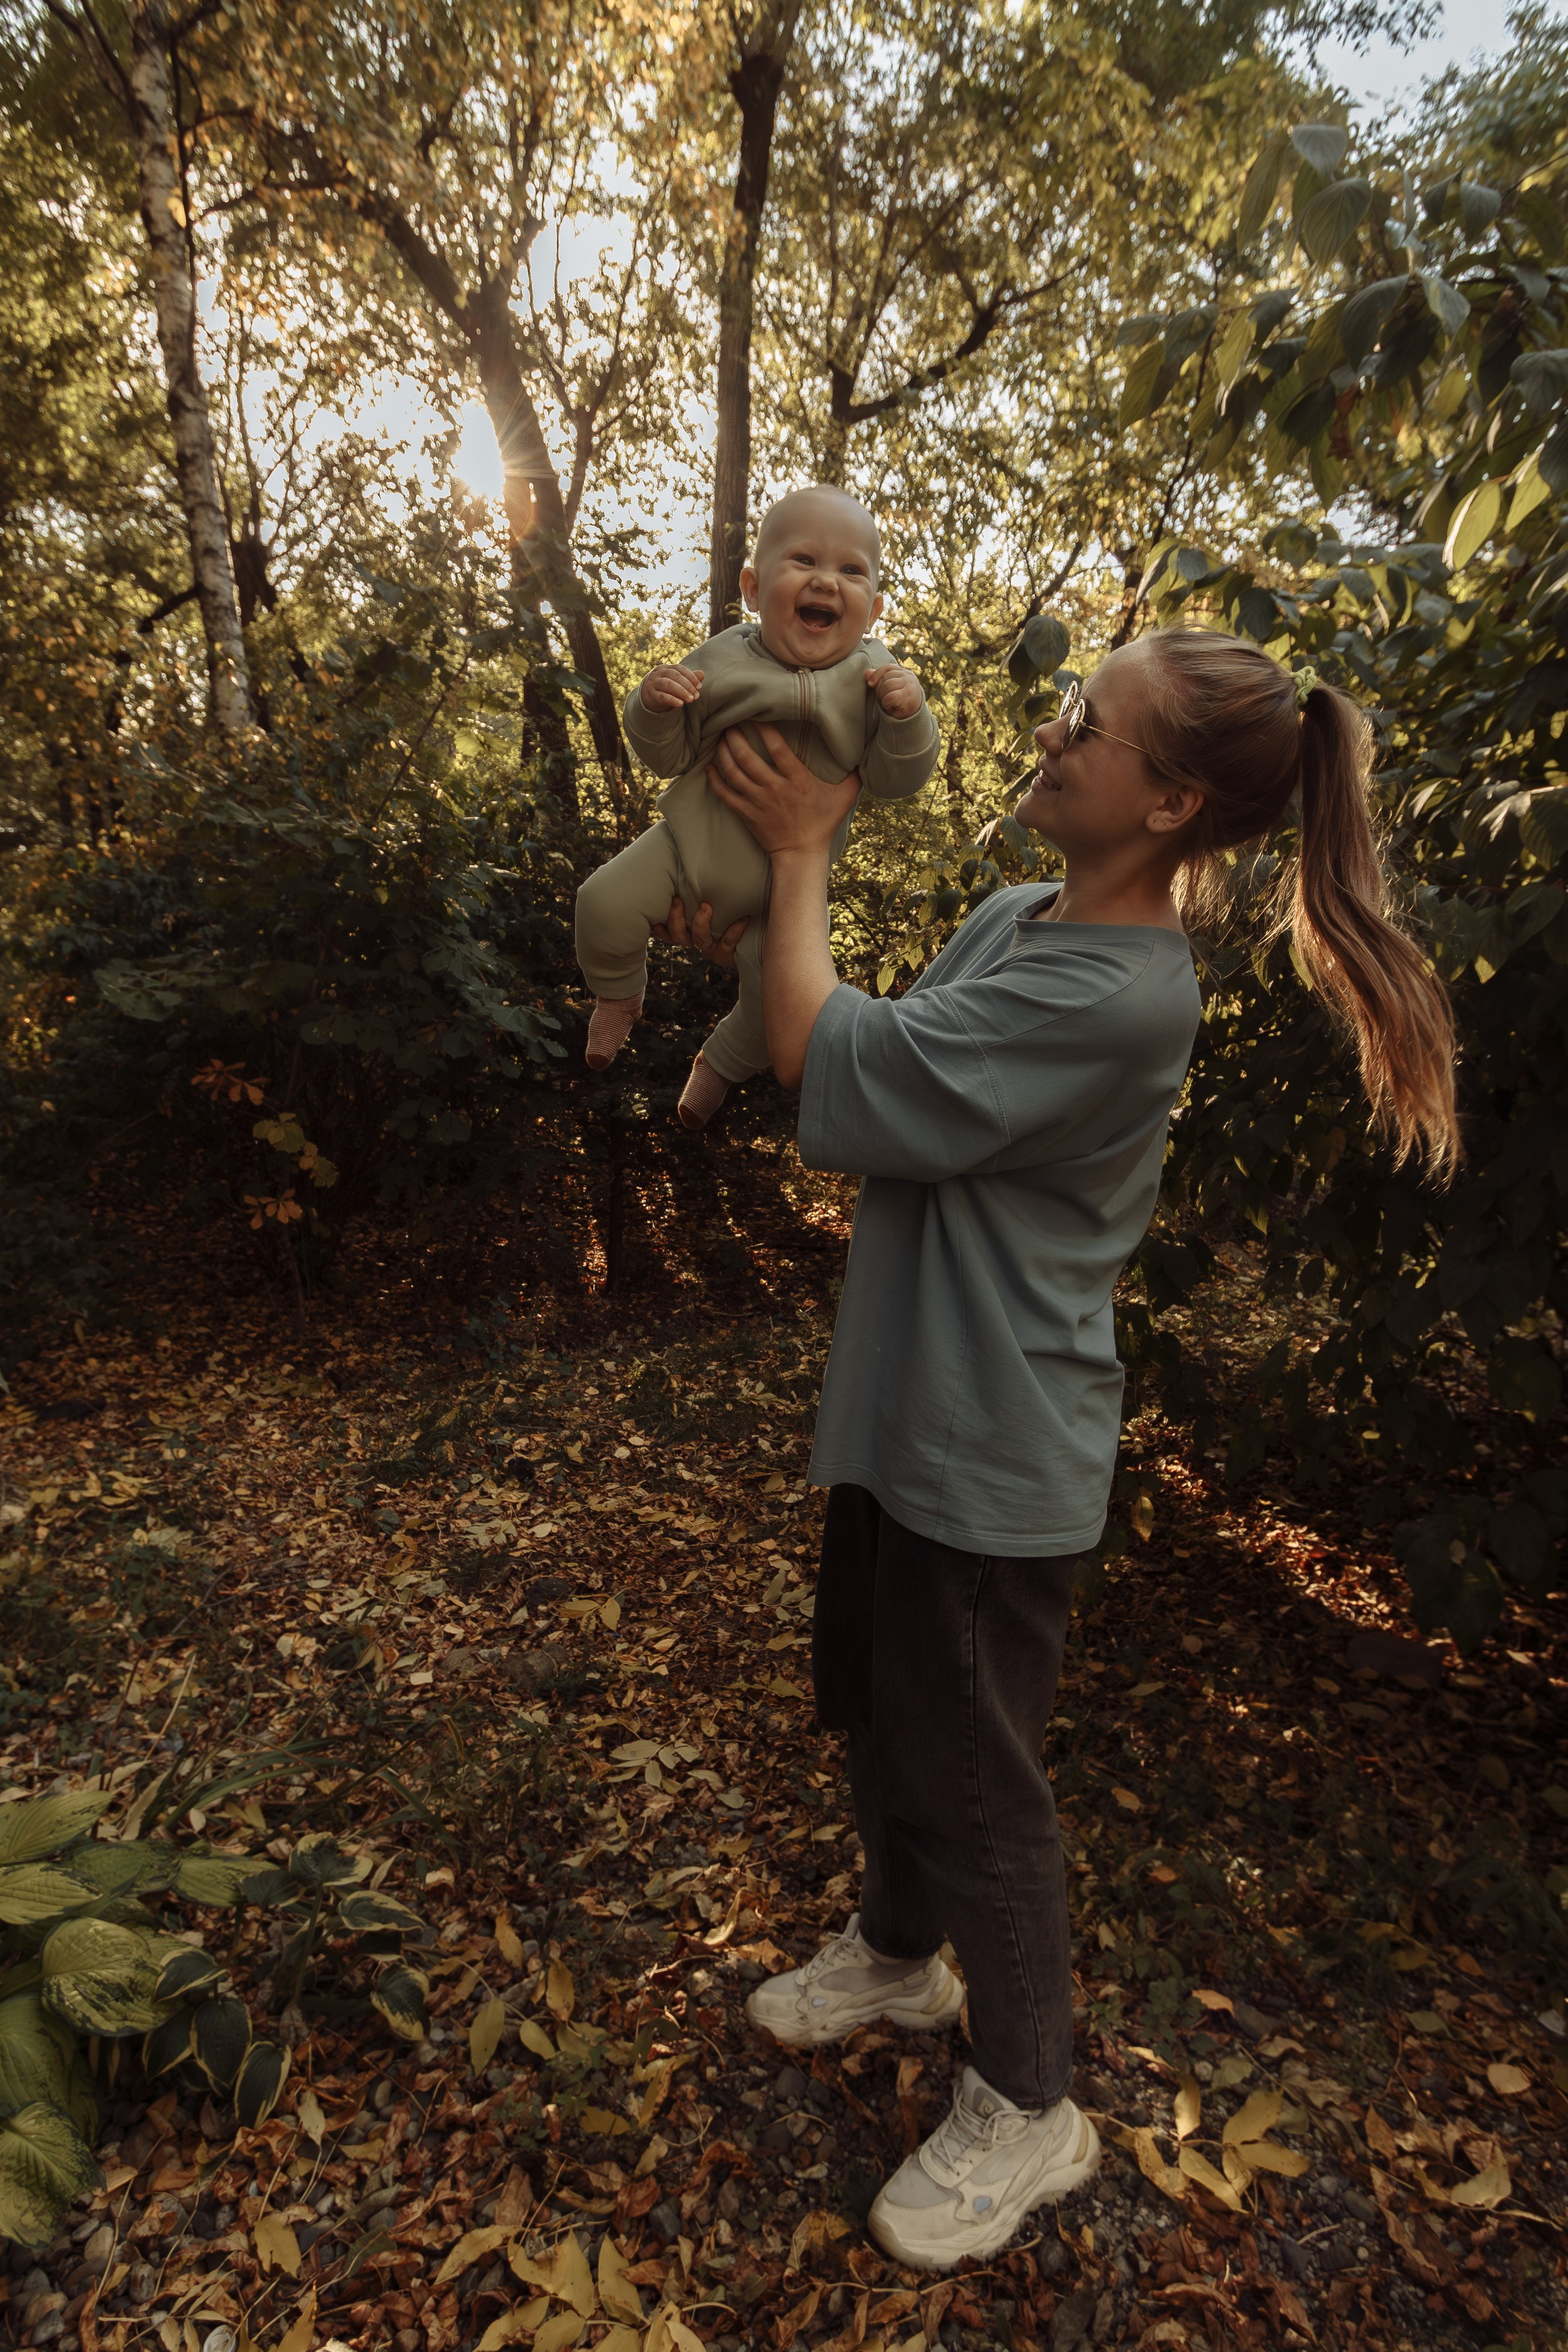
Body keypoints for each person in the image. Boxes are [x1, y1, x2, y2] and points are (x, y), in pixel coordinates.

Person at [673, 624, 1457, 2273]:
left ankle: (1030, 2100)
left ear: (1166, 802)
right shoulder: (1019, 918)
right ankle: (899, 1953)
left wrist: (806, 857)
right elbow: (869, 1056)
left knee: (971, 1776)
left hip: (990, 1438)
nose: (1050, 728)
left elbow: (831, 1063)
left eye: (1087, 722)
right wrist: (762, 914)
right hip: (907, 1399)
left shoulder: (1119, 993)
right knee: (883, 1707)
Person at [573, 485, 939, 1128]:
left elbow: (894, 779)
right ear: (752, 587)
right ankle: (619, 994)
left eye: (851, 570)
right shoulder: (723, 657)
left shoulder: (879, 679)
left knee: (784, 1007)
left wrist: (910, 719)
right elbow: (669, 754)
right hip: (684, 848)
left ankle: (720, 1062)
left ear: (874, 610)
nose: (826, 581)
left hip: (785, 894)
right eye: (804, 560)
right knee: (600, 902)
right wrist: (652, 706)